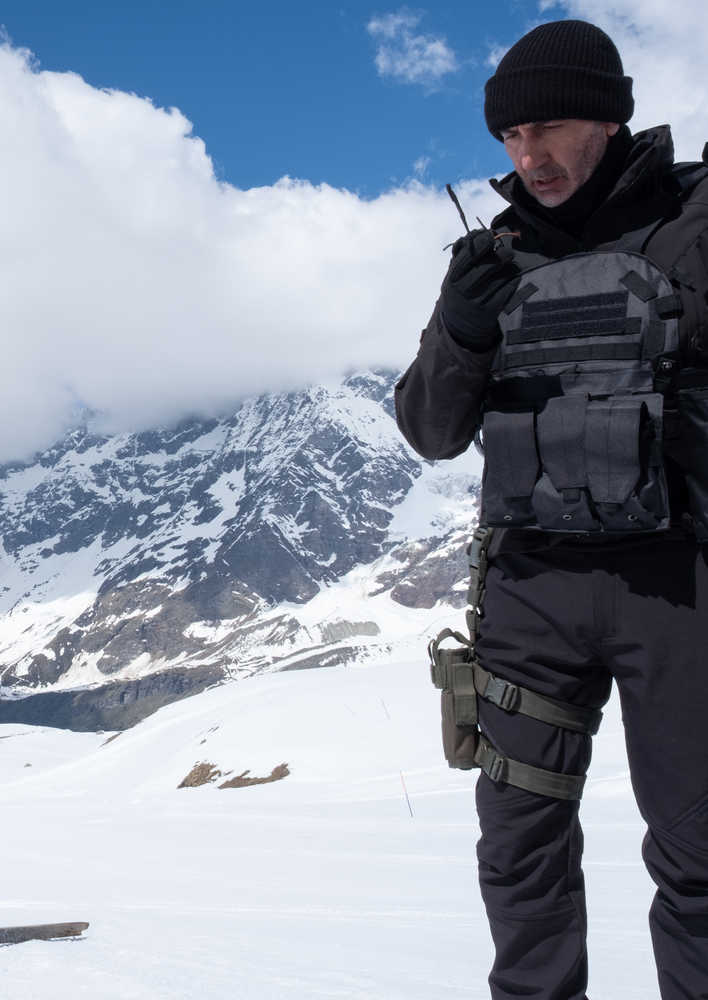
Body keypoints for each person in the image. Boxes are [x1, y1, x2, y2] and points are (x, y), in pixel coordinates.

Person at [396, 18, 708, 1000]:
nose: (527, 156)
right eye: (508, 138)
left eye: (549, 128)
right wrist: (459, 331)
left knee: (700, 858)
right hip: (533, 589)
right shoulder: (492, 258)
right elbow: (431, 429)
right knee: (521, 855)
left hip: (680, 582)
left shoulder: (697, 223)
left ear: (607, 121)